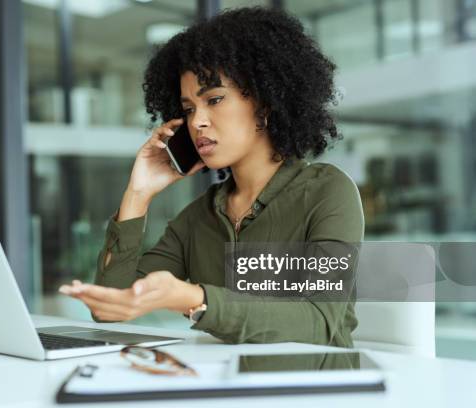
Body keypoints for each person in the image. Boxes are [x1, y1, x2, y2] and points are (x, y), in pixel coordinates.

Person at [58, 7, 364, 347]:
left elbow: (319, 324)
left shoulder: (327, 191)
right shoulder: (197, 218)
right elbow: (110, 308)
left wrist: (195, 298)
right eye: (189, 109)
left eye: (214, 100)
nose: (197, 122)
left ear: (264, 104)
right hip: (226, 388)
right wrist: (138, 193)